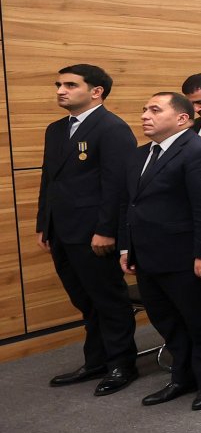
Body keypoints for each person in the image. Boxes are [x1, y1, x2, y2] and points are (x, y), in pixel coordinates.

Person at [120, 92, 201, 410]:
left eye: (154, 109)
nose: (145, 115)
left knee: (200, 320)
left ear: (182, 118)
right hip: (149, 255)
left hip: (186, 256)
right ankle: (182, 377)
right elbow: (131, 204)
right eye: (143, 109)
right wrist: (128, 247)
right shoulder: (140, 155)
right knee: (166, 320)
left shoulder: (199, 152)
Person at [40, 64, 139, 395]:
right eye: (58, 84)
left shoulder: (111, 128)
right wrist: (44, 223)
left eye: (70, 85)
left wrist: (107, 230)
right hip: (62, 230)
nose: (60, 90)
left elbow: (117, 186)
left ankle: (121, 364)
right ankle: (96, 360)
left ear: (96, 91)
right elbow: (49, 181)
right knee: (84, 299)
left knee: (109, 299)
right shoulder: (56, 129)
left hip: (94, 232)